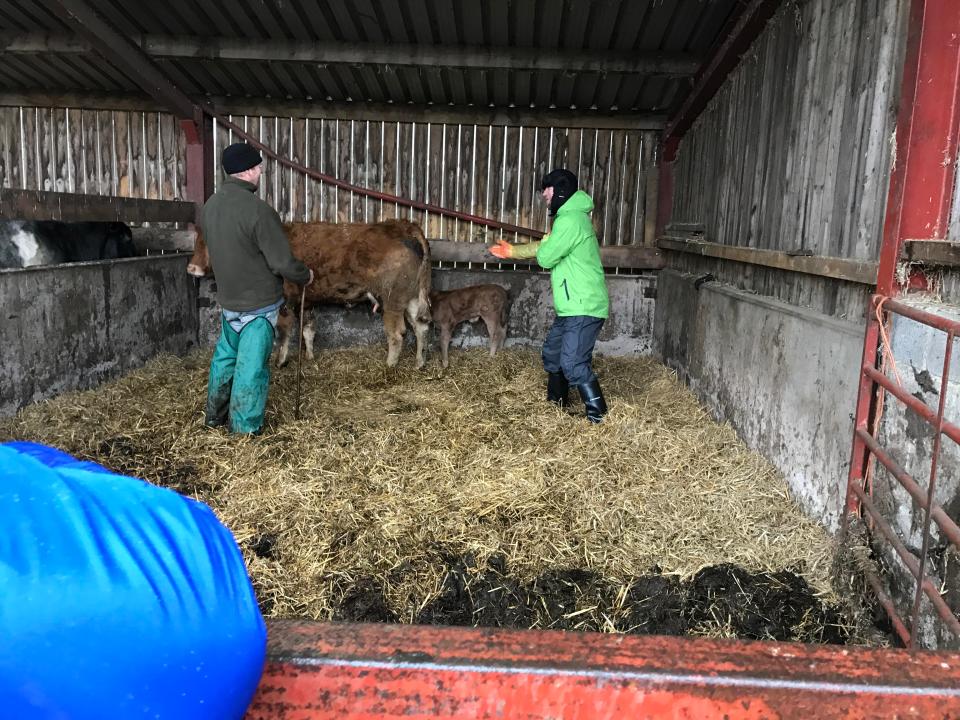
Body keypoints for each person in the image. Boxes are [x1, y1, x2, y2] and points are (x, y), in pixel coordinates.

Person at [200, 142, 313, 434]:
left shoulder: (210, 207)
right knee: (251, 369)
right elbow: (282, 263)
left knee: (224, 360)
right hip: (258, 306)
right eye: (258, 166)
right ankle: (245, 431)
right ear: (248, 170)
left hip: (229, 302)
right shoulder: (259, 212)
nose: (261, 170)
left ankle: (214, 419)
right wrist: (305, 275)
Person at [489, 169, 609, 423]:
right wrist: (513, 251)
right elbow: (546, 247)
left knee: (573, 363)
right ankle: (557, 407)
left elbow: (546, 256)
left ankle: (599, 417)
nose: (544, 194)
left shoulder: (570, 221)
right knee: (553, 354)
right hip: (571, 306)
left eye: (548, 188)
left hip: (583, 305)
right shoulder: (568, 219)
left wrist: (543, 245)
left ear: (561, 189)